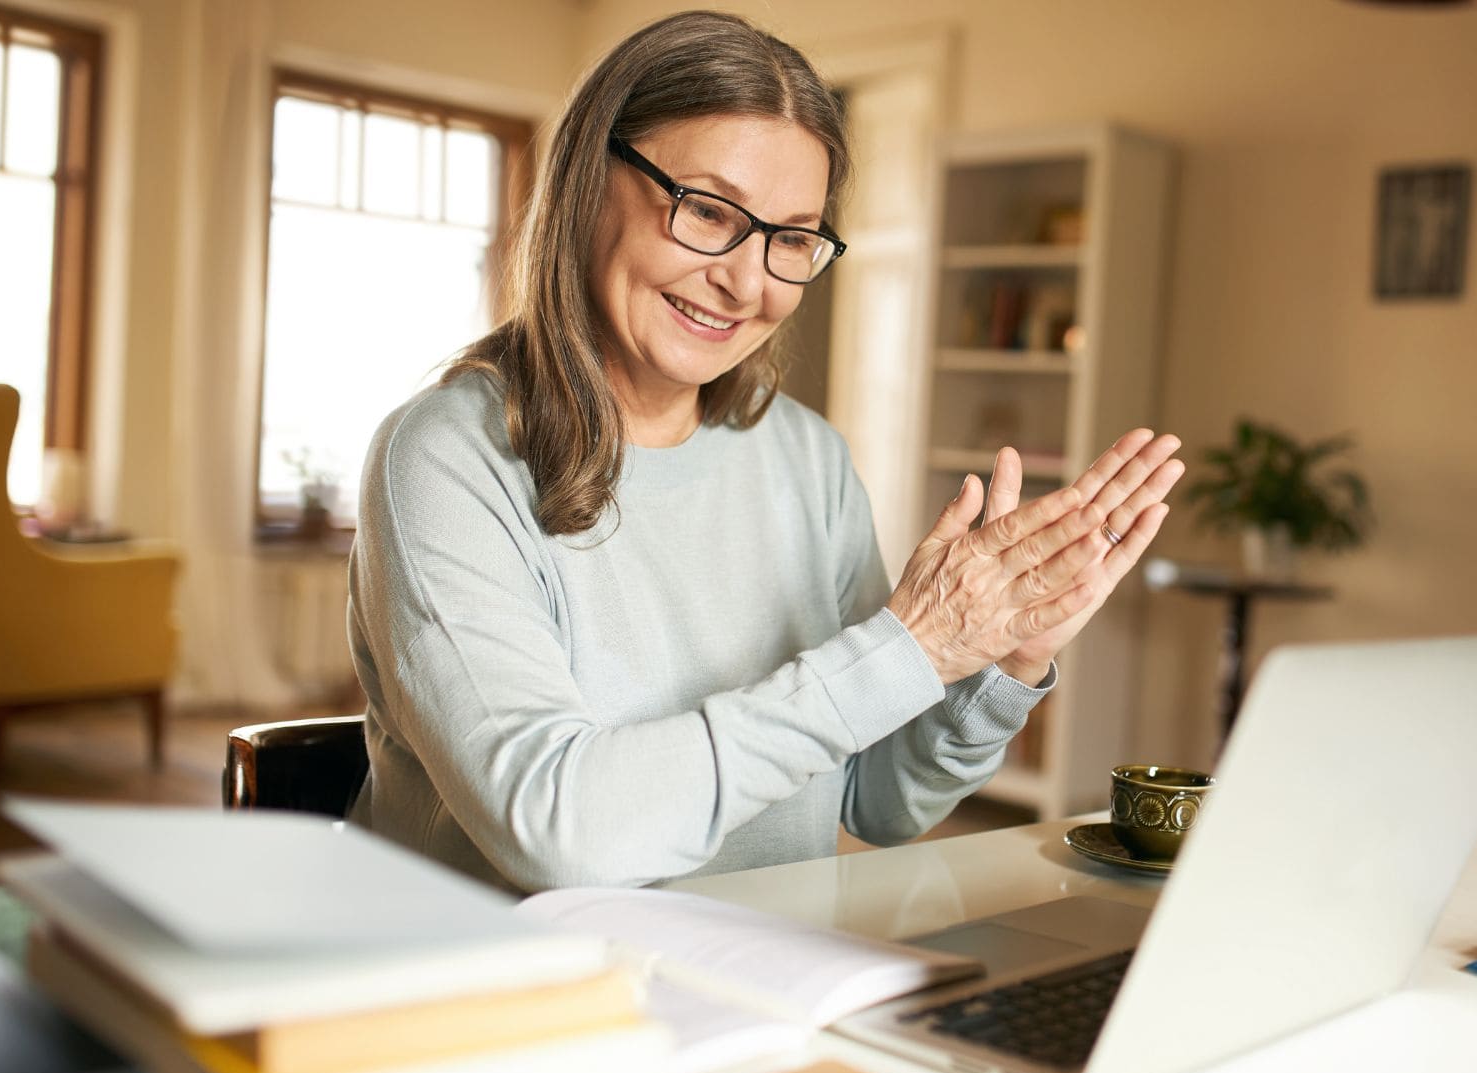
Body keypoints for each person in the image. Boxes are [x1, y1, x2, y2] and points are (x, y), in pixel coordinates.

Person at [345, 10, 1183, 893]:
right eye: (707, 210)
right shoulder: (444, 458)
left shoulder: (807, 459)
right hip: (520, 1003)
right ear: (590, 178)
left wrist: (1005, 659)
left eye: (789, 239)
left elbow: (882, 799)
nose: (746, 283)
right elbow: (562, 835)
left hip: (759, 980)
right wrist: (913, 647)